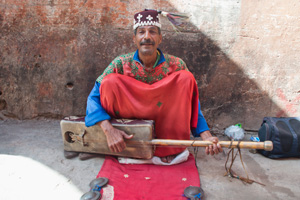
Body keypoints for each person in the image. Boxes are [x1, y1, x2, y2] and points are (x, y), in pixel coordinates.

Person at [85, 9, 222, 163]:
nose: (147, 37)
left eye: (152, 32)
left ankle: (167, 148)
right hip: (131, 133)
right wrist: (108, 130)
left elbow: (192, 103)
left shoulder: (176, 65)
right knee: (109, 81)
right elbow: (93, 98)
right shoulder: (120, 64)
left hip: (165, 128)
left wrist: (206, 135)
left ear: (160, 38)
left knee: (186, 78)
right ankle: (122, 144)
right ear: (134, 39)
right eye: (141, 32)